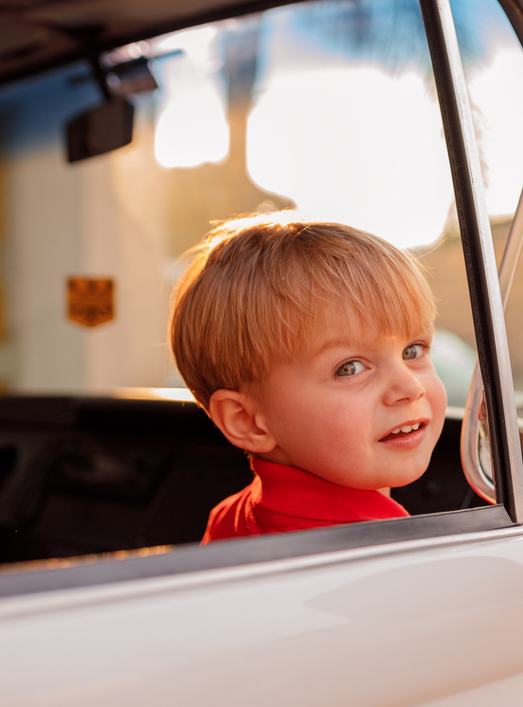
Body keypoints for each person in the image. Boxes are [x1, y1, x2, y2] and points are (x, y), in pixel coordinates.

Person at [168, 213, 447, 543]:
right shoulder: (375, 550)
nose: (411, 387)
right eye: (349, 368)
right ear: (247, 421)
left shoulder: (232, 516)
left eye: (413, 351)